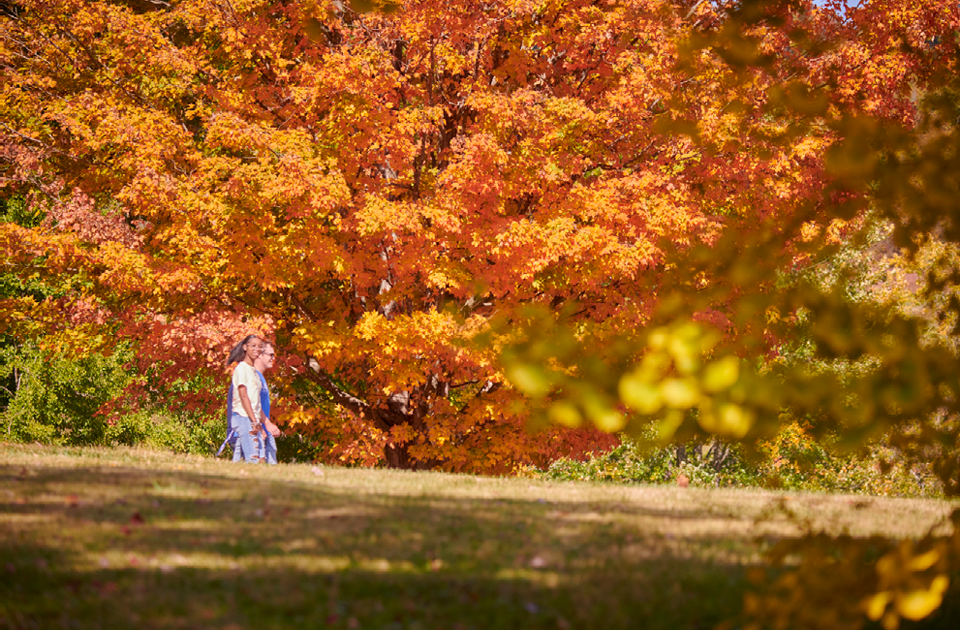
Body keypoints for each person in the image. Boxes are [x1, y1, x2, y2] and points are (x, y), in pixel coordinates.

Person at [225, 335, 263, 463]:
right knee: (253, 457)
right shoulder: (241, 368)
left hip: (253, 419)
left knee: (247, 457)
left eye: (259, 347)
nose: (257, 349)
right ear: (245, 347)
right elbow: (243, 395)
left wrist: (259, 421)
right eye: (253, 346)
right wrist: (253, 420)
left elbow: (256, 401)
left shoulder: (254, 372)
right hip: (243, 416)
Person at [254, 340, 281, 464]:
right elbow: (253, 405)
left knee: (272, 474)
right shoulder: (254, 377)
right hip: (257, 431)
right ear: (259, 354)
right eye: (271, 355)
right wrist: (265, 426)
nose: (273, 358)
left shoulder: (261, 377)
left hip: (264, 430)